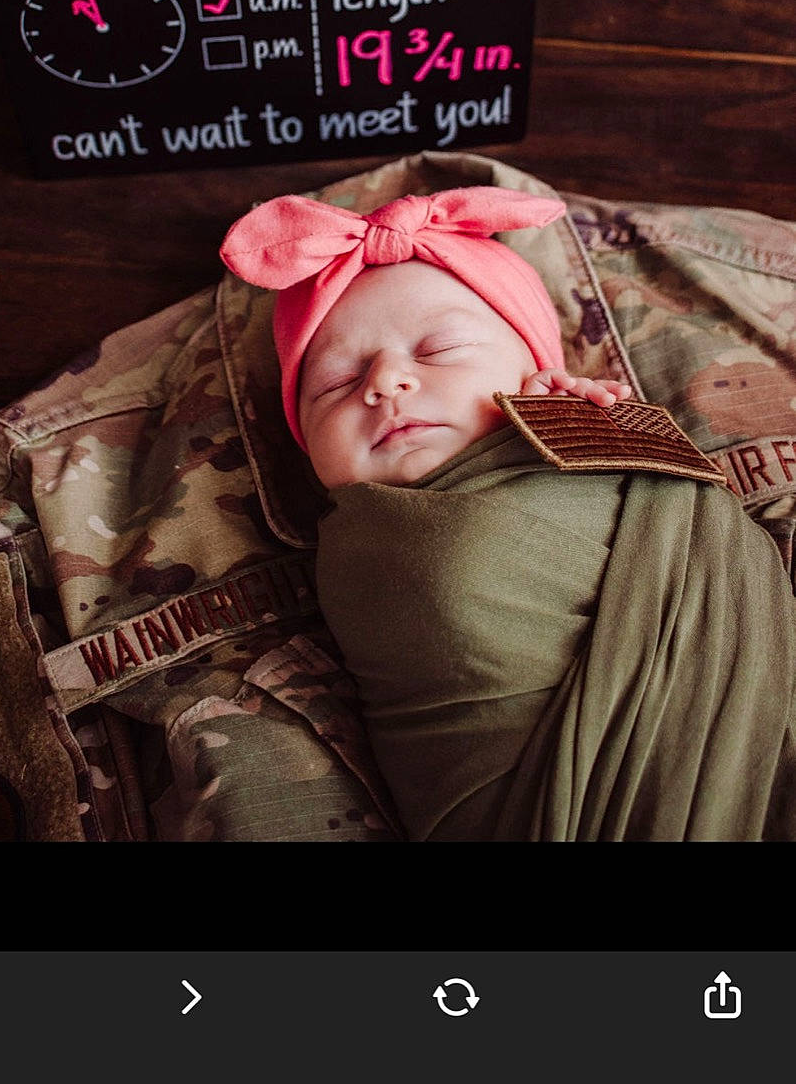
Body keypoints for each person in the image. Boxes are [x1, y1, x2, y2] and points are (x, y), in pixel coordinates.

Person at [221, 185, 796, 841]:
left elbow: (708, 531)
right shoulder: (366, 548)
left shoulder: (619, 452)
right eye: (335, 385)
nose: (383, 383)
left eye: (438, 350)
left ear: (537, 370)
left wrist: (598, 433)